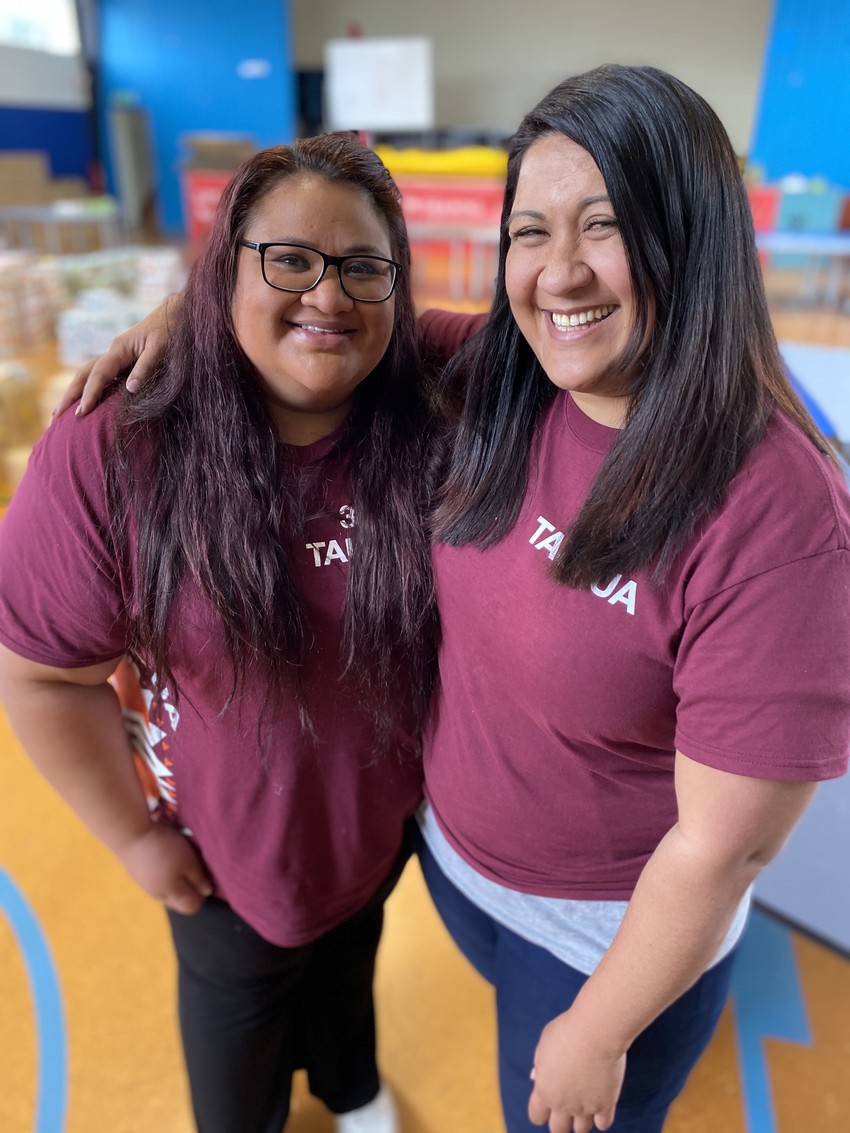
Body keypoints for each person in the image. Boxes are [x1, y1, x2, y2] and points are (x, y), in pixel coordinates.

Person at [57, 66, 850, 1133]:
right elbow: (318, 314)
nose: (558, 273)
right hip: (452, 869)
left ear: (694, 235)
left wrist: (599, 1028)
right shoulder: (501, 372)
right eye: (529, 231)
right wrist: (193, 311)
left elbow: (728, 846)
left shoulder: (775, 511)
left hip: (595, 943)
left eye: (604, 225)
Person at [0, 134, 442, 1133]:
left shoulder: (424, 417)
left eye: (361, 267)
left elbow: (543, 338)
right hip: (219, 859)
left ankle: (350, 1084)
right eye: (288, 258)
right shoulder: (115, 441)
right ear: (224, 263)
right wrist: (130, 839)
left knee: (346, 964)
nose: (327, 295)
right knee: (238, 1036)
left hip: (373, 832)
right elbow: (41, 679)